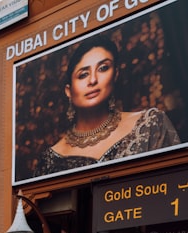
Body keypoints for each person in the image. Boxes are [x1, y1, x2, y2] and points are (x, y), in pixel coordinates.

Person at [36, 37, 180, 176]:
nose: (93, 80)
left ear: (115, 75)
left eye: (103, 68)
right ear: (69, 91)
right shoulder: (50, 160)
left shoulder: (149, 124)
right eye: (83, 74)